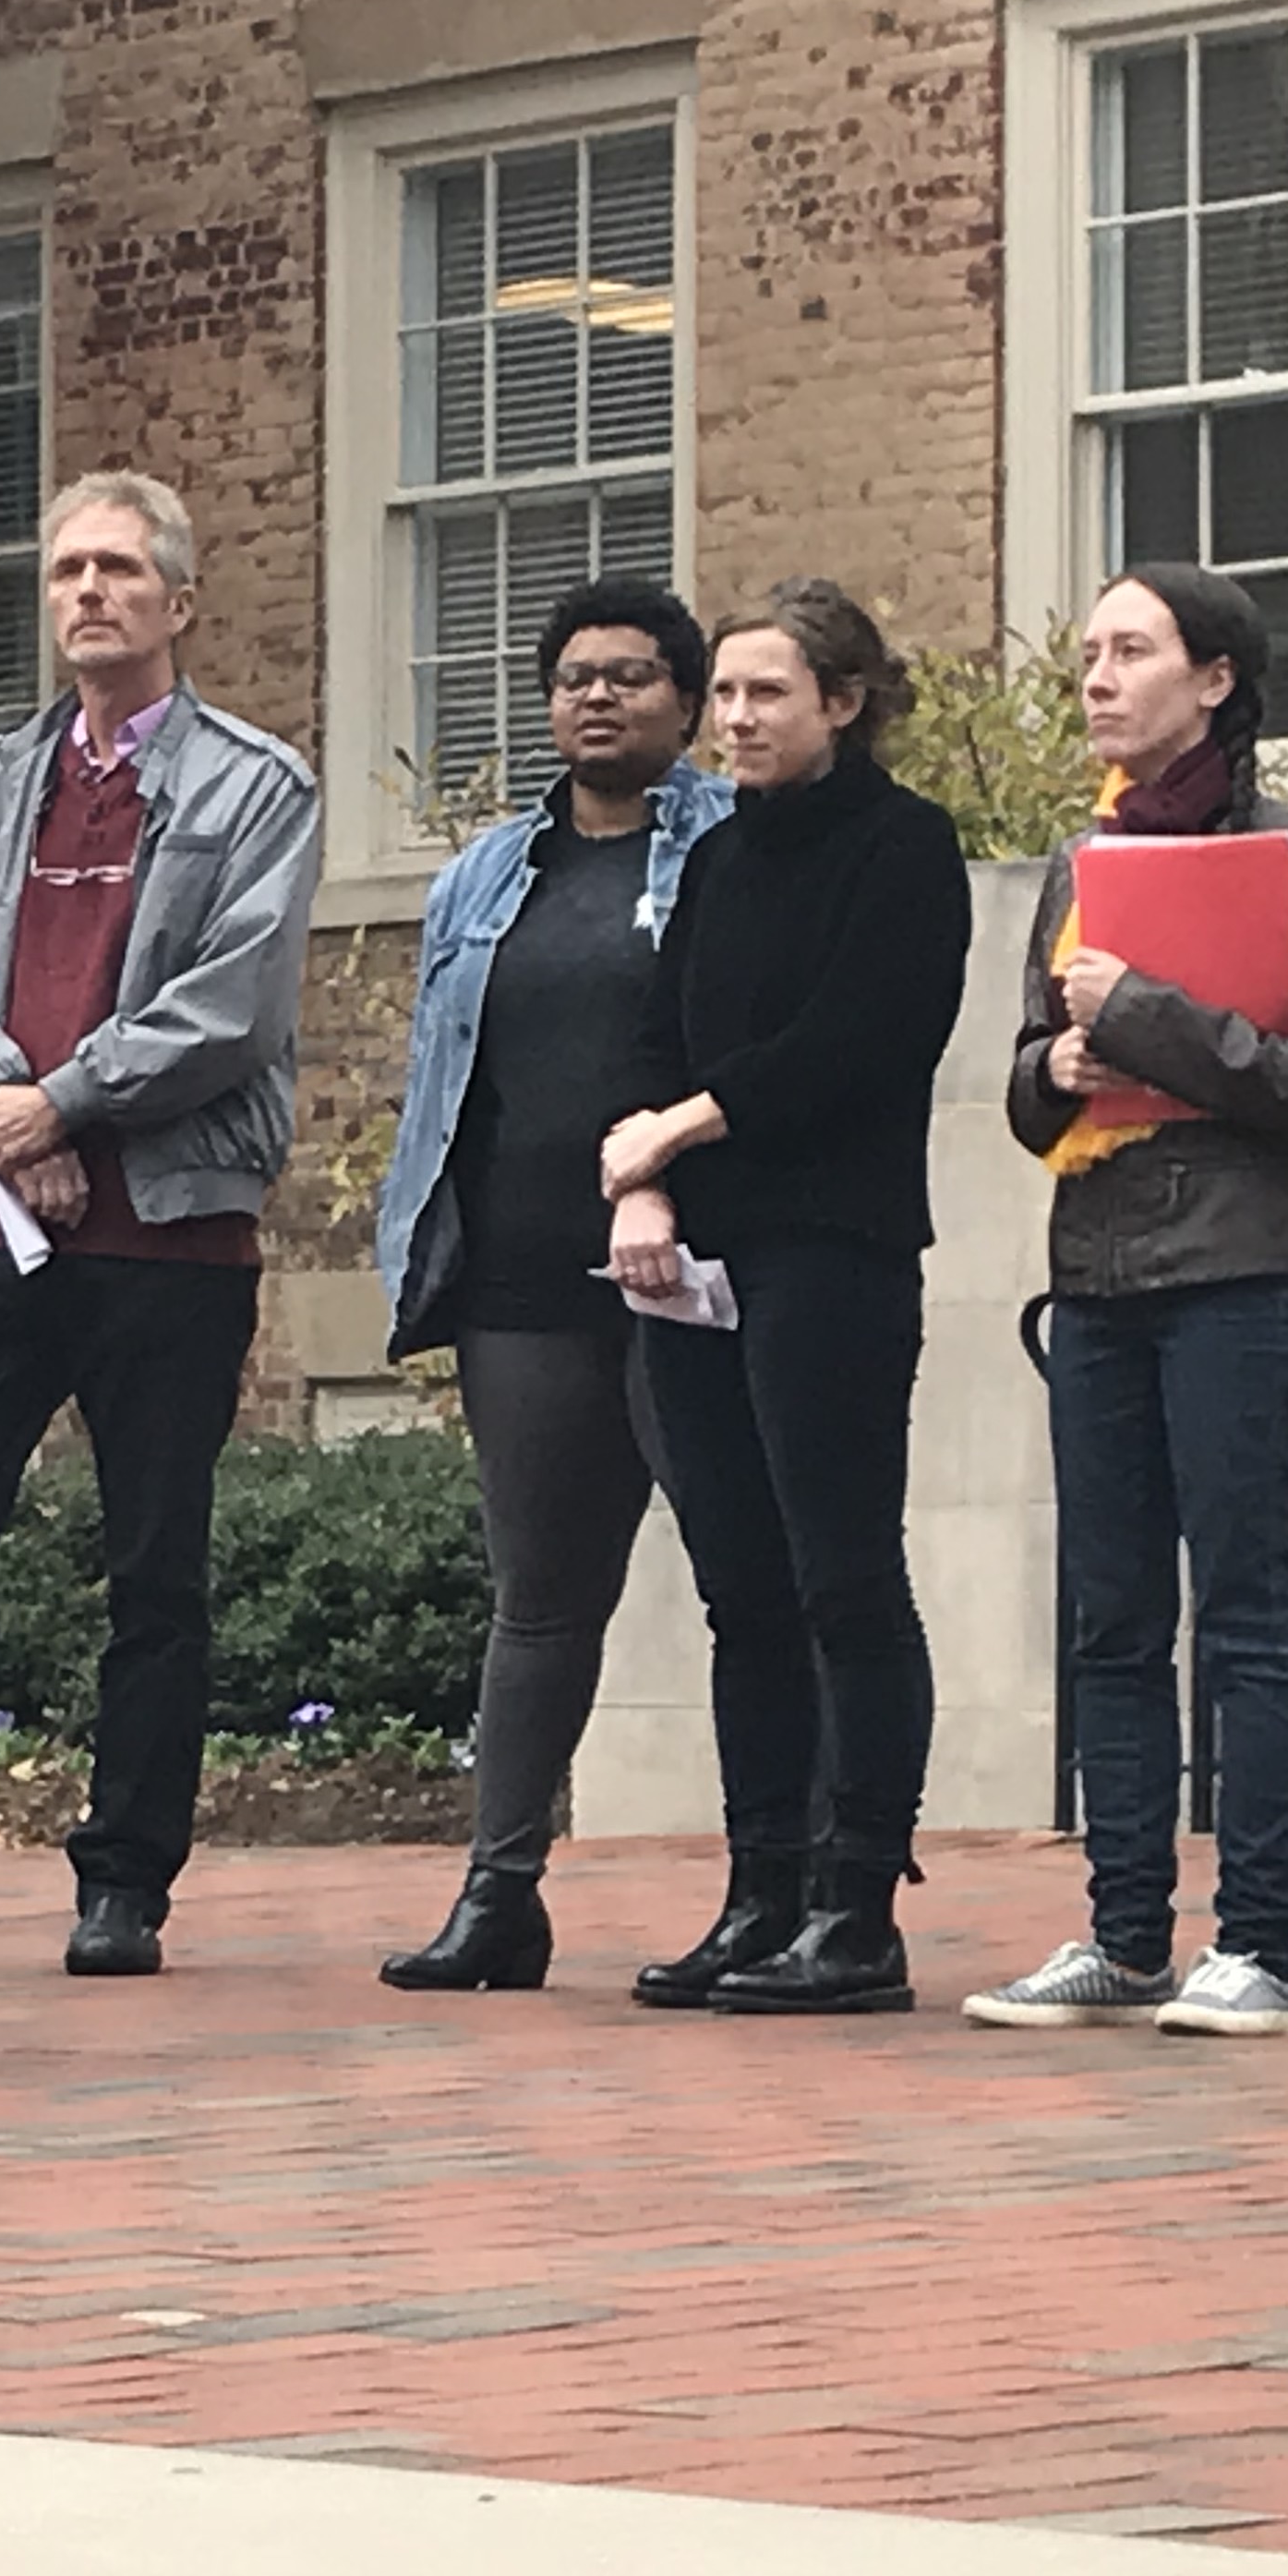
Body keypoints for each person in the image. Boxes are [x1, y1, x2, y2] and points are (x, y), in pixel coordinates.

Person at [0, 468, 316, 1982]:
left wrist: (70, 1104)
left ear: (178, 599)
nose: (86, 592)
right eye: (65, 570)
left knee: (153, 1569)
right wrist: (15, 1120)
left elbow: (233, 1003)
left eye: (116, 569)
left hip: (169, 1229)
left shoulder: (255, 786)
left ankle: (124, 1885)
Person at [969, 567, 1288, 2041]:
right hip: (1097, 1277)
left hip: (1240, 1271)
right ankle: (1121, 1934)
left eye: (1129, 652)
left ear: (1213, 679)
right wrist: (1054, 1069)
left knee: (1249, 1616)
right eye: (1089, 653)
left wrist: (1139, 1014)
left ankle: (1254, 1945)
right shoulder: (1084, 864)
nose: (1095, 677)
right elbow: (1024, 1083)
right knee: (1112, 1619)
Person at [597, 579, 969, 2015]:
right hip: (699, 1266)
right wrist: (640, 1190)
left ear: (845, 702)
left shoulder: (904, 848)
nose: (738, 719)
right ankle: (762, 1891)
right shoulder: (712, 860)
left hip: (834, 1252)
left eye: (769, 694)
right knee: (739, 1592)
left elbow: (860, 1047)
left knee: (841, 1578)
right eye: (730, 694)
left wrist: (682, 1130)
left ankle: (858, 1904)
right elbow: (651, 1033)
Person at [371, 579, 731, 1992]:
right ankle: (499, 1896)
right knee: (538, 1601)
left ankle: (794, 1883)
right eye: (575, 676)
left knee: (745, 1588)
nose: (598, 697)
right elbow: (443, 1081)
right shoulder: (486, 876)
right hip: (521, 1283)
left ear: (687, 705)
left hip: (688, 1276)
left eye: (633, 677)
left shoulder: (726, 853)